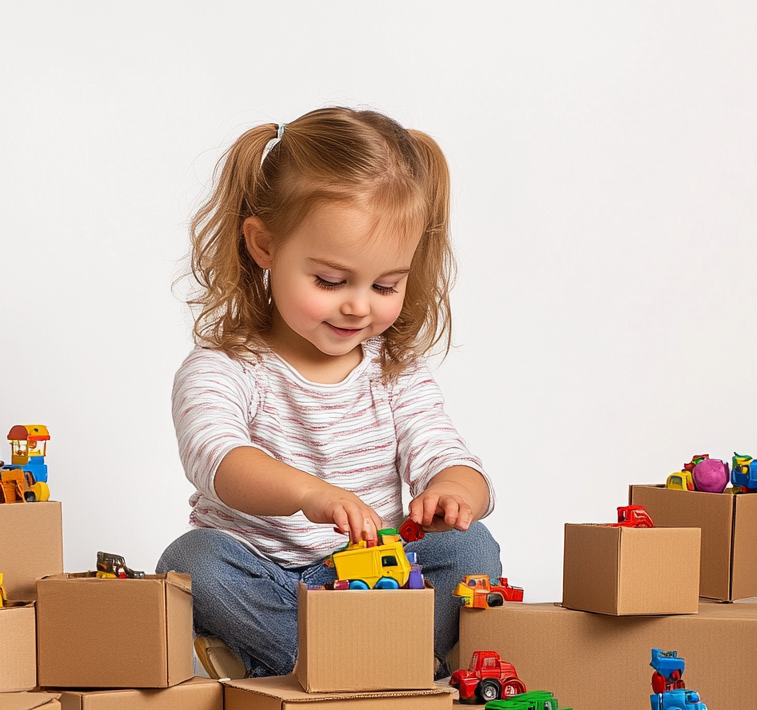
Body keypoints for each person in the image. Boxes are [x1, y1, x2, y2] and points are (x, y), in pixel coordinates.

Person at [158, 107, 501, 679]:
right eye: (330, 281)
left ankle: (371, 659)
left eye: (385, 285)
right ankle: (343, 664)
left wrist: (454, 493)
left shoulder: (395, 372)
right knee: (193, 564)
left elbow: (446, 453)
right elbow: (217, 460)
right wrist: (307, 494)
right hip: (276, 579)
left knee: (472, 549)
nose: (359, 305)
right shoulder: (224, 367)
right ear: (264, 246)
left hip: (382, 577)